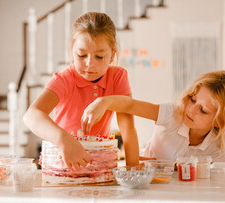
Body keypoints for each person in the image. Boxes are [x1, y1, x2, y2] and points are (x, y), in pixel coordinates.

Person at [23, 12, 139, 170]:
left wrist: (134, 170)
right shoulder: (64, 80)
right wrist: (64, 140)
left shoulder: (117, 77)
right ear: (72, 51)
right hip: (63, 166)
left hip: (99, 167)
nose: (89, 64)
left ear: (112, 56)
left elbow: (128, 127)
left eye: (99, 56)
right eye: (82, 55)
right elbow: (31, 116)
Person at [81, 70, 225, 169]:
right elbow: (130, 105)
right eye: (192, 99)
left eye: (203, 110)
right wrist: (103, 102)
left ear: (219, 121)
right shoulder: (172, 114)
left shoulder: (218, 147)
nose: (191, 109)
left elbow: (199, 177)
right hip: (147, 182)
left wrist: (157, 163)